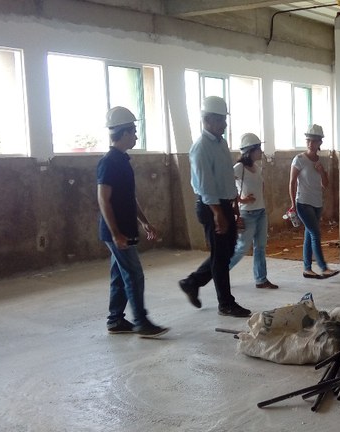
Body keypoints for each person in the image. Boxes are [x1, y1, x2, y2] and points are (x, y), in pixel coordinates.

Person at [97, 106, 169, 338]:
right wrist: (115, 233)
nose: (136, 136)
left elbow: (129, 197)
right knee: (134, 274)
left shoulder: (122, 161)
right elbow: (103, 199)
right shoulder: (109, 162)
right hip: (117, 231)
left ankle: (116, 320)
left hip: (125, 228)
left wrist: (144, 222)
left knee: (120, 275)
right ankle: (141, 322)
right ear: (124, 133)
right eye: (134, 131)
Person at [178, 96, 251, 318]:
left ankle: (192, 282)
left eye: (224, 119)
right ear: (207, 120)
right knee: (220, 257)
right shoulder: (200, 148)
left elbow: (227, 179)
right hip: (211, 207)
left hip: (224, 205)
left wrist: (234, 208)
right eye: (220, 120)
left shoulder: (221, 143)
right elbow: (205, 185)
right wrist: (218, 213)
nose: (224, 124)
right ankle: (226, 303)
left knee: (225, 253)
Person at [289, 124, 340, 279]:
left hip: (317, 203)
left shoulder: (320, 161)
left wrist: (321, 171)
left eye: (314, 141)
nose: (310, 143)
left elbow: (325, 184)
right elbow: (292, 182)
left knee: (309, 235)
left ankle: (307, 269)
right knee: (315, 233)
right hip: (303, 202)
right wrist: (293, 204)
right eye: (308, 140)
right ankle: (324, 268)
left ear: (320, 143)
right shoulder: (299, 159)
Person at [228, 133, 279, 289]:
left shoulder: (257, 168)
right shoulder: (239, 168)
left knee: (260, 247)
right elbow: (227, 187)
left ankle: (261, 279)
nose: (261, 151)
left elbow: (260, 186)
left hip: (260, 212)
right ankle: (220, 271)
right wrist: (241, 200)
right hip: (247, 213)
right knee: (242, 248)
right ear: (249, 151)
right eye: (258, 149)